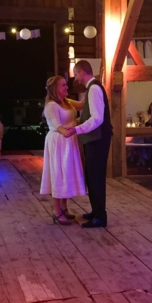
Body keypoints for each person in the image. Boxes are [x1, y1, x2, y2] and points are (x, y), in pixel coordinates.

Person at [67, 60, 112, 228]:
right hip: (94, 140)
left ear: (83, 72)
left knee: (96, 178)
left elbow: (97, 119)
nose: (76, 78)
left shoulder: (94, 89)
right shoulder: (92, 88)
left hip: (97, 140)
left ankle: (100, 216)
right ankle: (96, 211)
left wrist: (77, 129)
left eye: (76, 74)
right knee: (92, 176)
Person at [40, 76, 86, 225]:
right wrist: (67, 131)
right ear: (55, 89)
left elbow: (82, 105)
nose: (67, 87)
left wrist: (93, 87)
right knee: (58, 174)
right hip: (59, 142)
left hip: (69, 140)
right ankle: (56, 210)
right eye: (63, 85)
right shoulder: (51, 106)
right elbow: (56, 125)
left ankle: (64, 208)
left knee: (67, 173)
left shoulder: (67, 102)